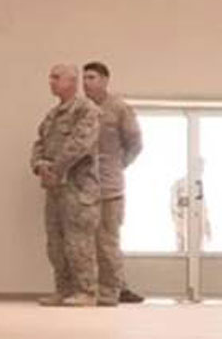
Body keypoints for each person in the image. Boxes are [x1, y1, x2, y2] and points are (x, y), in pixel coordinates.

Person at [31, 64, 101, 307]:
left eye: (56, 77)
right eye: (50, 77)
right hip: (55, 190)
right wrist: (39, 165)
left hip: (78, 189)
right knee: (56, 243)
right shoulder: (52, 115)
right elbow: (39, 143)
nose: (50, 81)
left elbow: (80, 144)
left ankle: (86, 291)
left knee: (78, 243)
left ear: (72, 81)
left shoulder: (86, 110)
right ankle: (63, 289)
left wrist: (56, 169)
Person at [82, 61, 143, 306]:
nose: (86, 82)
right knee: (83, 242)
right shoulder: (80, 109)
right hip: (82, 186)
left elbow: (135, 144)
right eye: (84, 78)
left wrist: (117, 166)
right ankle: (91, 288)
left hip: (109, 187)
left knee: (107, 241)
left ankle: (113, 290)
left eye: (92, 77)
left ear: (105, 80)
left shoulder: (119, 108)